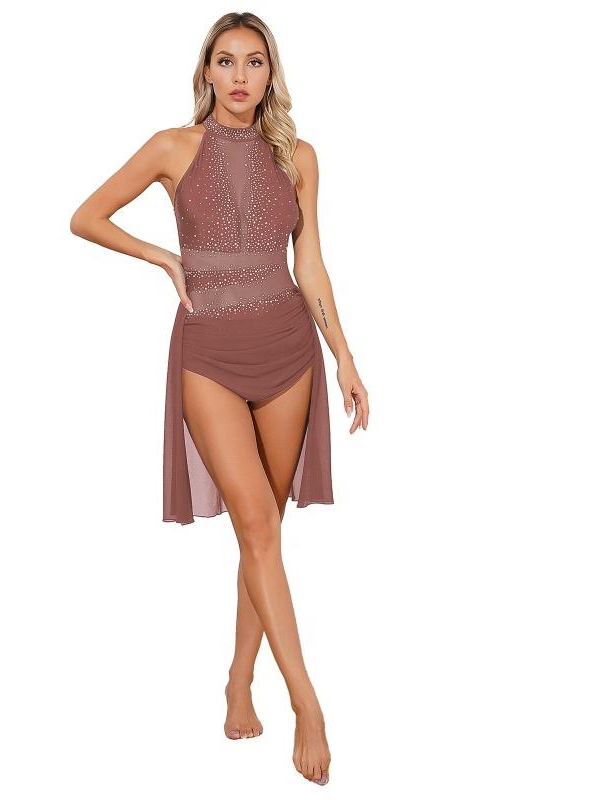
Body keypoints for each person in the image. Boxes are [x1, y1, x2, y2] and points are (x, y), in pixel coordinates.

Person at [70, 11, 369, 788]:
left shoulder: (299, 155)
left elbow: (312, 264)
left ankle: (239, 678)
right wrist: (160, 256)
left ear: (271, 74)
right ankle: (307, 703)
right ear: (206, 71)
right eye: (227, 61)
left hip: (288, 348)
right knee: (258, 523)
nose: (240, 76)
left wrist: (344, 355)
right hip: (208, 352)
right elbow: (86, 216)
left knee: (262, 529)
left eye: (255, 62)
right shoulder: (173, 147)